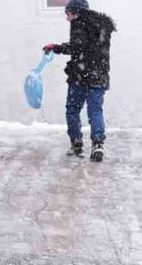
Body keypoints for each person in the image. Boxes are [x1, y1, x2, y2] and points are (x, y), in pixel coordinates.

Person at [42, 0, 116, 162]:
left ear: (75, 11)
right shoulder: (102, 25)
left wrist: (56, 47)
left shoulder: (79, 23)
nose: (67, 18)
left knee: (72, 109)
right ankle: (97, 144)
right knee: (95, 110)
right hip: (99, 75)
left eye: (67, 14)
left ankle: (76, 142)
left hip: (80, 76)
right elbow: (91, 48)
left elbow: (77, 47)